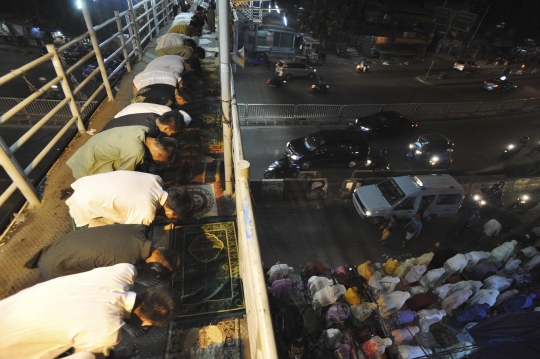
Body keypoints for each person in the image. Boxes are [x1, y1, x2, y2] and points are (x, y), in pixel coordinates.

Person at [0, 264, 179, 359]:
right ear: (148, 323)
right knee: (87, 357)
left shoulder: (122, 272)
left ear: (147, 290)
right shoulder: (108, 332)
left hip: (6, 310)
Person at [25, 224, 182, 282]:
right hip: (54, 267)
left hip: (57, 246)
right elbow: (109, 289)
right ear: (153, 269)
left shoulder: (139, 229)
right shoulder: (126, 263)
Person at [66, 171, 194, 227]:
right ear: (171, 213)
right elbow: (133, 229)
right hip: (81, 202)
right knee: (112, 231)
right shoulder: (147, 214)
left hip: (86, 183)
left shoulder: (155, 179)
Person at [66, 126, 179, 179]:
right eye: (159, 161)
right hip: (86, 168)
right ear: (158, 153)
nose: (156, 162)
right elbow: (122, 178)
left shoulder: (143, 130)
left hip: (86, 151)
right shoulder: (136, 152)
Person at [102, 109, 188, 137]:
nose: (170, 135)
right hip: (105, 137)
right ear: (166, 128)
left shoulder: (155, 116)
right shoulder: (150, 130)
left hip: (108, 127)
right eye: (171, 133)